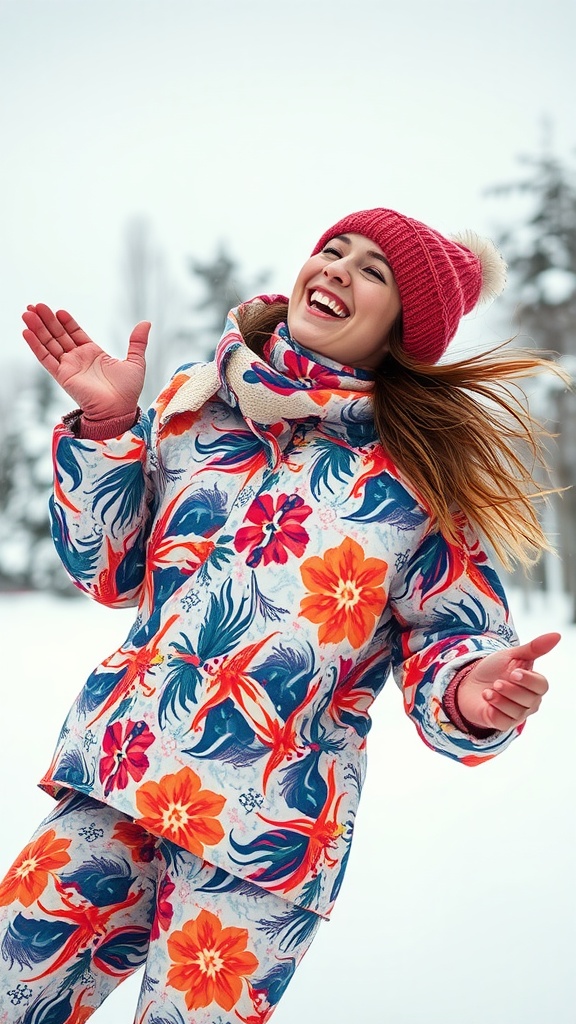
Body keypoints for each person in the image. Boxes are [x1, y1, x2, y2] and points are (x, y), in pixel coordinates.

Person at [0, 207, 563, 1024]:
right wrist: (110, 427)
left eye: (373, 271)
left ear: (407, 329)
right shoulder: (200, 407)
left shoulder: (414, 482)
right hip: (119, 778)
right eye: (332, 250)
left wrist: (473, 690)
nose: (337, 269)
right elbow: (109, 568)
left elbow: (456, 633)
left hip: (264, 836)